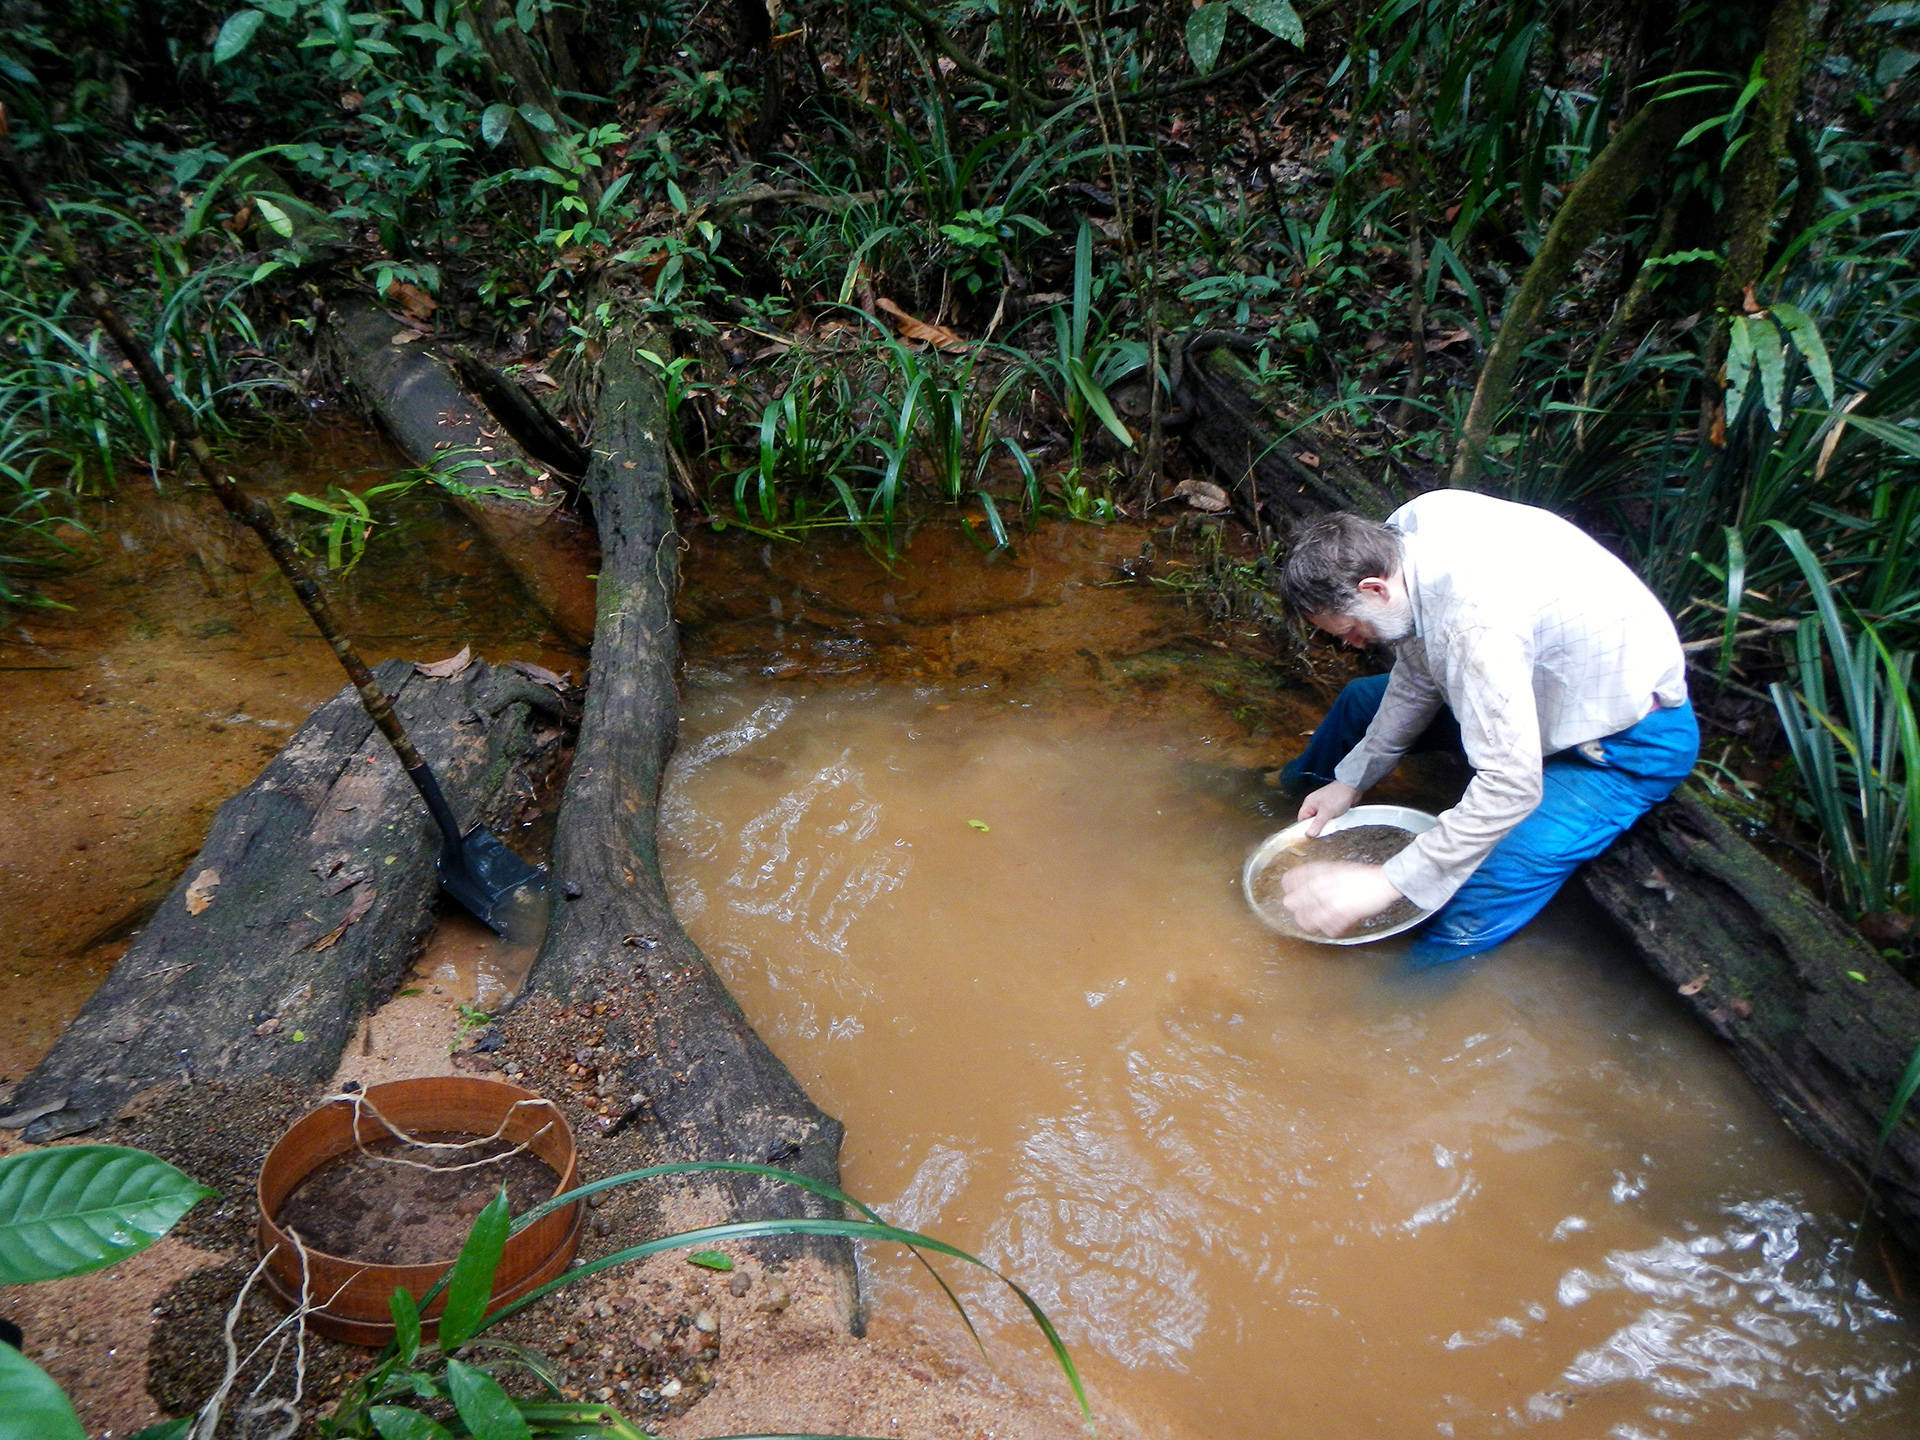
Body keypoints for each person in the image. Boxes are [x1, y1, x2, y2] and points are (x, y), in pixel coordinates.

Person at [1274, 490, 1699, 963]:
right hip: (1533, 691)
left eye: (1349, 628)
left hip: (1624, 742)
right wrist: (1350, 781)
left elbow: (1512, 786)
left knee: (1485, 880)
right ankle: (1284, 801)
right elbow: (1417, 672)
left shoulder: (1473, 625)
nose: (1352, 644)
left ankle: (1395, 1005)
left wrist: (1386, 880)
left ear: (1374, 588)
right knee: (1359, 703)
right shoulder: (1406, 533)